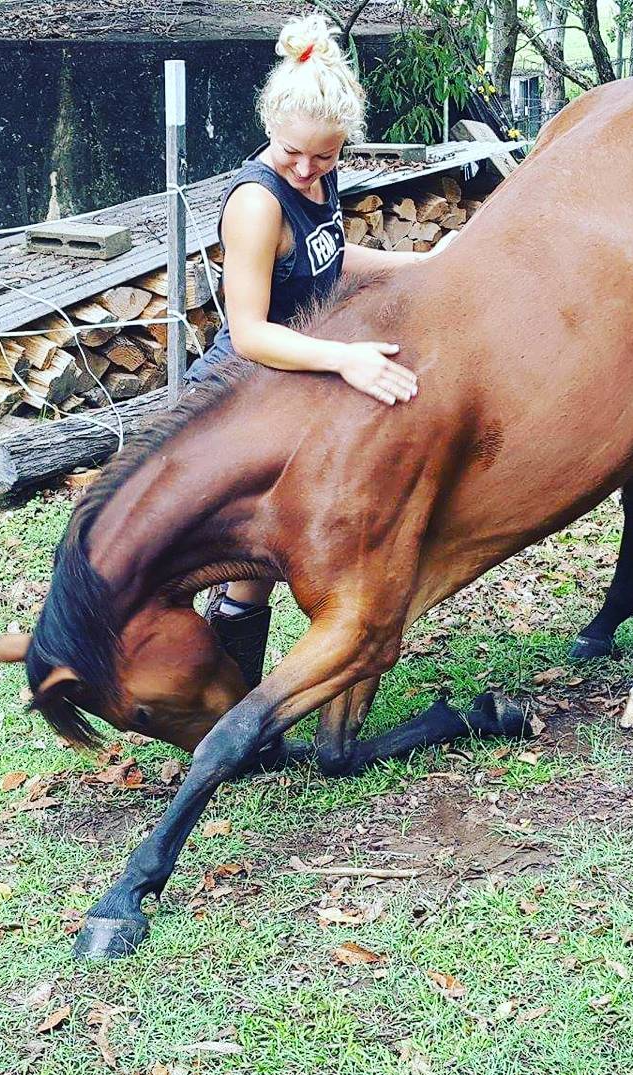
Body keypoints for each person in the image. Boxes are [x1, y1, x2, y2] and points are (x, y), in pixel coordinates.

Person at [187, 13, 444, 690]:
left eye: (324, 157)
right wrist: (347, 358)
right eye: (290, 152)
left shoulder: (320, 179)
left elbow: (325, 259)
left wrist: (416, 263)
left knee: (267, 557)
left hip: (295, 371)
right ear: (270, 128)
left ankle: (239, 696)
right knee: (242, 557)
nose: (306, 168)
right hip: (241, 383)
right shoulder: (256, 203)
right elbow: (248, 332)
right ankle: (222, 694)